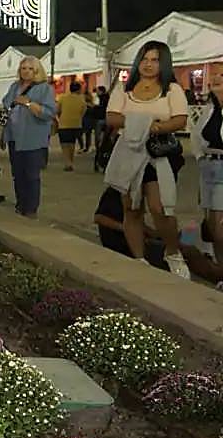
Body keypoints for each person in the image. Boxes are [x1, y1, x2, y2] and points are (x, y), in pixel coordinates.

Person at [105, 41, 189, 279]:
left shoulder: (172, 89)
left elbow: (180, 119)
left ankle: (172, 252)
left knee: (159, 207)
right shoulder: (124, 88)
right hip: (128, 152)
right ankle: (139, 259)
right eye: (145, 59)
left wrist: (152, 127)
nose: (149, 65)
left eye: (155, 60)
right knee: (131, 207)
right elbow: (112, 117)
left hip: (157, 153)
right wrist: (141, 123)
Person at [0, 56, 56, 218]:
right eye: (23, 68)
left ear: (37, 70)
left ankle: (31, 209)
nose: (26, 71)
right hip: (14, 138)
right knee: (17, 175)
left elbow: (49, 113)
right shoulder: (14, 87)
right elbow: (6, 109)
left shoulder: (44, 88)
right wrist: (4, 134)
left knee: (31, 175)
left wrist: (29, 104)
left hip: (33, 139)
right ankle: (20, 204)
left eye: (30, 68)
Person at [191, 70, 223, 266]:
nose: (216, 80)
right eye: (214, 80)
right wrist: (200, 158)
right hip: (208, 165)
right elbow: (196, 136)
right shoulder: (209, 110)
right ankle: (220, 270)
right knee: (210, 225)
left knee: (219, 227)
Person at [55, 81, 87, 172]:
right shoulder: (81, 99)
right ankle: (71, 162)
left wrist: (59, 118)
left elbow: (57, 110)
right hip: (76, 124)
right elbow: (83, 111)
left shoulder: (62, 98)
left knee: (65, 144)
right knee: (72, 144)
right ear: (79, 89)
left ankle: (67, 163)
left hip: (64, 123)